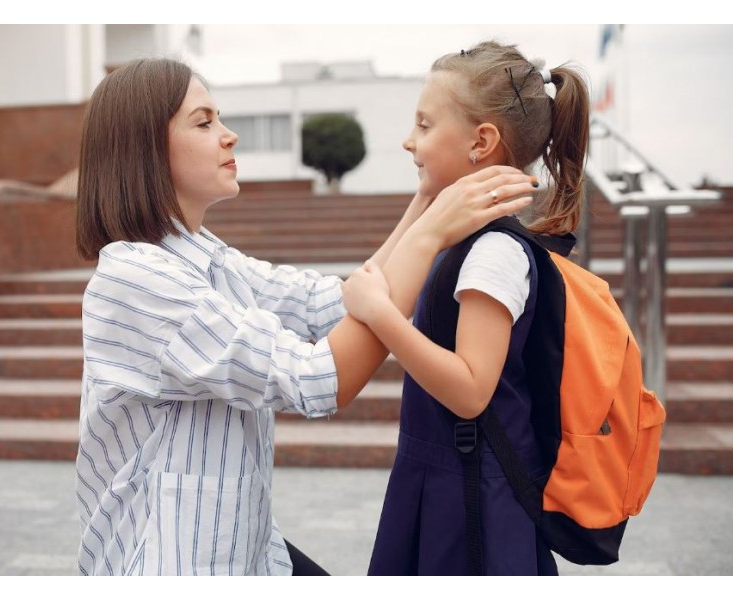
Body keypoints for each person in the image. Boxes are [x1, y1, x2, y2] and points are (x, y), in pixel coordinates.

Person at [74, 57, 535, 576]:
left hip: (250, 557)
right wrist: (428, 237)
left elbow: (331, 305)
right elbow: (318, 377)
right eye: (204, 123)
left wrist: (426, 200)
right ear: (144, 148)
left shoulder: (208, 258)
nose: (230, 137)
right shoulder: (137, 281)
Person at [342, 41, 590, 575]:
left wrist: (384, 318)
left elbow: (472, 390)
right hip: (443, 480)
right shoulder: (460, 240)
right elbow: (366, 284)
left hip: (472, 501)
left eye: (425, 126)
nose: (410, 141)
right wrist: (425, 198)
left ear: (481, 141)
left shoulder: (493, 252)